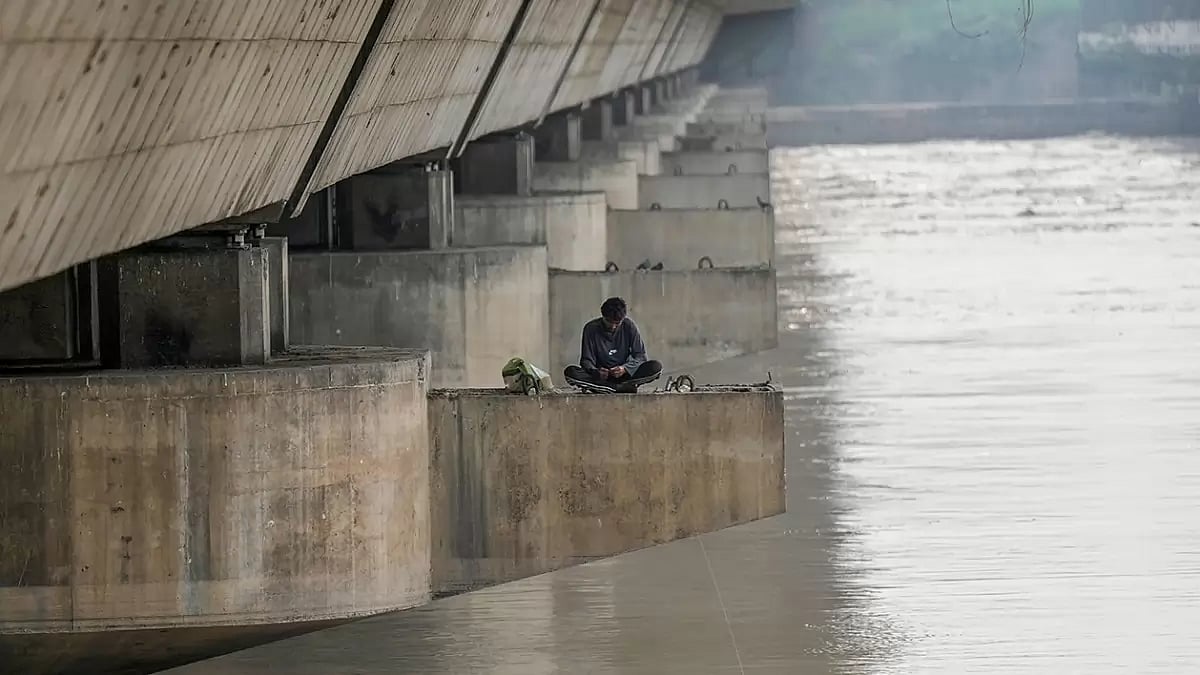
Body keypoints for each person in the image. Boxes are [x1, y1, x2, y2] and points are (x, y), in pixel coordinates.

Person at [564, 297, 663, 390]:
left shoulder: (629, 326)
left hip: (625, 375)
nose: (613, 326)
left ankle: (611, 388)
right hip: (601, 378)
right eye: (609, 321)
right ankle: (616, 388)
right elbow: (586, 360)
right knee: (571, 372)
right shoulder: (591, 328)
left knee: (655, 367)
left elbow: (640, 356)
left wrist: (625, 368)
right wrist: (596, 371)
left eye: (617, 323)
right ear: (603, 316)